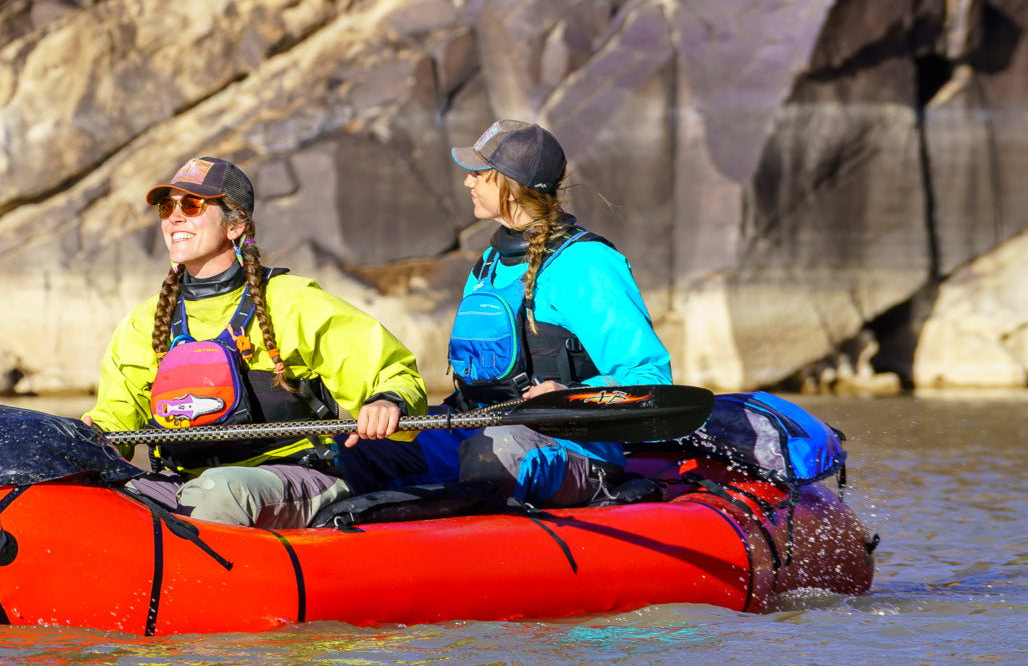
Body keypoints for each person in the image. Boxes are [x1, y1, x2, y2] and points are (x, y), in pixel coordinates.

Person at [81, 156, 429, 529]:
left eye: (192, 205)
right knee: (89, 497)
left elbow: (392, 373)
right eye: (167, 207)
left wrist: (387, 400)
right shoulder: (145, 322)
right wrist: (84, 442)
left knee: (219, 492)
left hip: (295, 476)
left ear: (236, 225)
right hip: (186, 482)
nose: (174, 217)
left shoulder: (292, 301)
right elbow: (112, 423)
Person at [420, 118, 674, 507]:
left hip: (572, 447)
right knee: (371, 448)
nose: (468, 182)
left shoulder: (586, 264)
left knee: (495, 449)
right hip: (484, 427)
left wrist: (568, 394)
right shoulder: (489, 263)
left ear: (510, 184)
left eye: (480, 174)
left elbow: (649, 378)